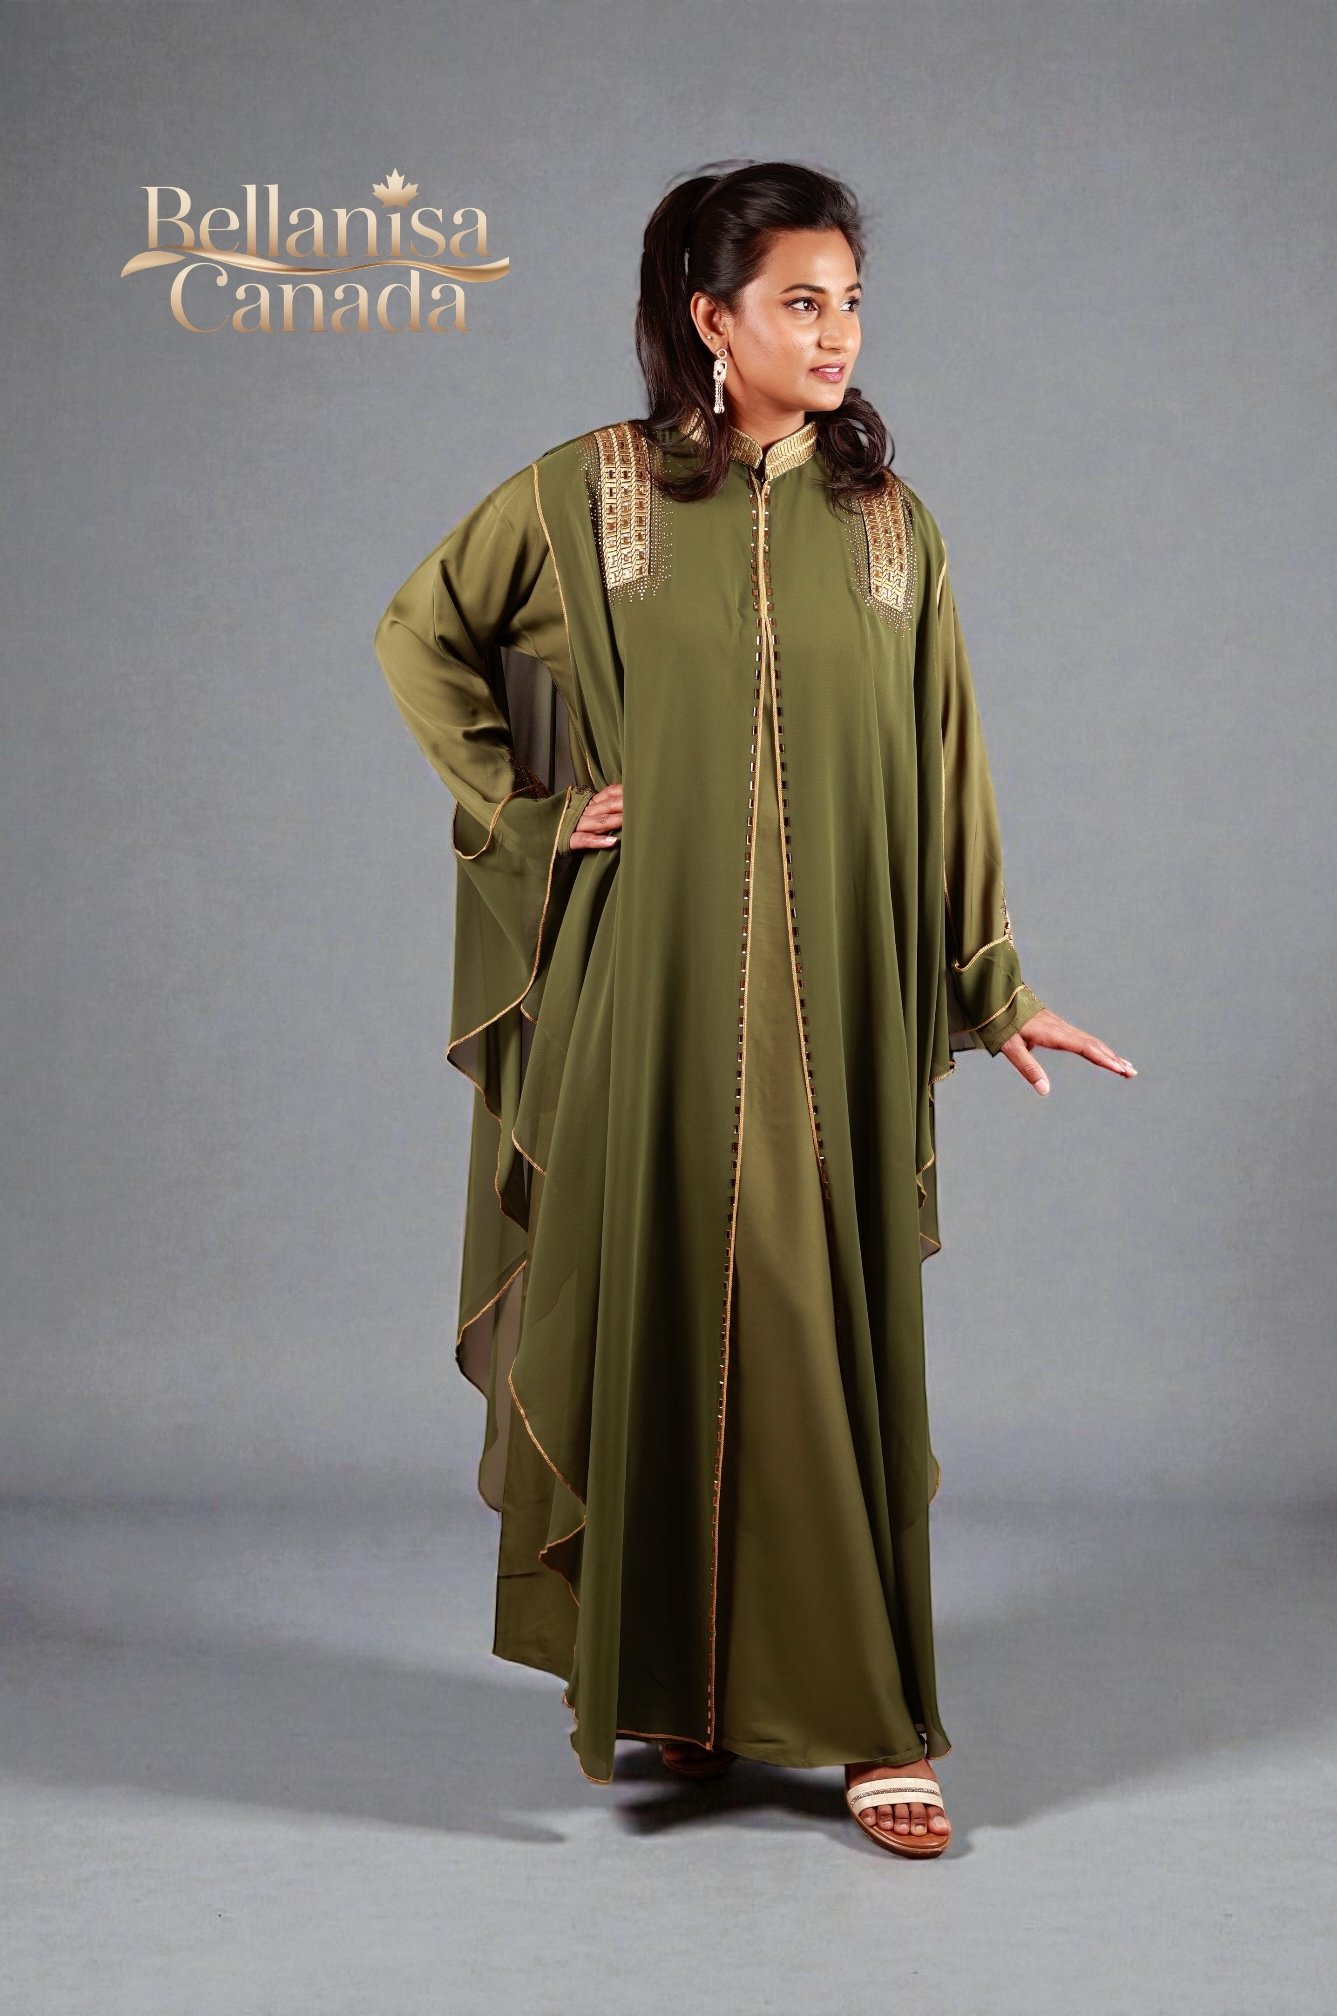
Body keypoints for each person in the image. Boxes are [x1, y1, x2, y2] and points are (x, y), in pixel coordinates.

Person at [373, 159, 1135, 1860]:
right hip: (643, 984)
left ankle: (869, 1720)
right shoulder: (588, 498)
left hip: (839, 999)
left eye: (851, 300)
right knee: (659, 1302)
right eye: (802, 300)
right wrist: (527, 811)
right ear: (710, 321)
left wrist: (995, 987)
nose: (838, 331)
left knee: (813, 1314)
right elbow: (424, 633)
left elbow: (946, 767)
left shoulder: (892, 527)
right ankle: (690, 1689)